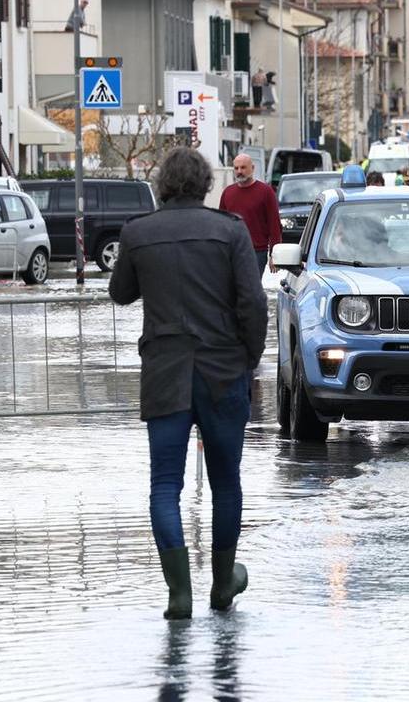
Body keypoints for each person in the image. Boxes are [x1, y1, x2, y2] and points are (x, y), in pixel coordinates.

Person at [109, 147, 268, 620]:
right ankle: (222, 584)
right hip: (223, 372)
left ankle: (179, 593)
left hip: (165, 372)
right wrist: (250, 357)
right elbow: (253, 303)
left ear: (162, 185)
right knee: (226, 483)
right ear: (205, 184)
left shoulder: (138, 233)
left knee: (164, 485)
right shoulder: (230, 232)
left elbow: (120, 293)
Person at [219, 153, 281, 273]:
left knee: (251, 289)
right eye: (236, 168)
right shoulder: (228, 193)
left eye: (243, 167)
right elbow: (221, 224)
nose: (239, 171)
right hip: (232, 251)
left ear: (252, 168)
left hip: (256, 253)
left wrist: (275, 254)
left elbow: (274, 224)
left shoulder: (266, 192)